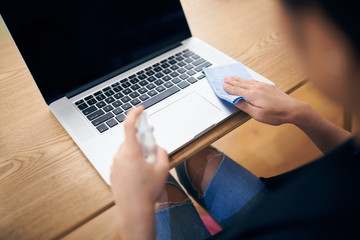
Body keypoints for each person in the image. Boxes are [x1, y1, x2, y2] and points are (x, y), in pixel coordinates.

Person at [110, 0, 360, 239]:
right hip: (300, 208)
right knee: (192, 156)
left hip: (282, 222)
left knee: (155, 174)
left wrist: (134, 217)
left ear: (333, 52)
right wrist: (302, 113)